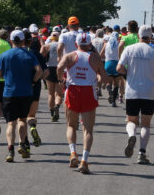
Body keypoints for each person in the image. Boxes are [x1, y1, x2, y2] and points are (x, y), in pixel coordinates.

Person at [57, 33, 108, 174]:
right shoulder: (96, 58)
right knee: (88, 130)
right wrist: (98, 78)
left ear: (76, 44)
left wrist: (62, 79)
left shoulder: (70, 56)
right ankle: (84, 161)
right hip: (88, 92)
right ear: (90, 44)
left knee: (71, 125)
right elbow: (104, 78)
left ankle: (73, 153)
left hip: (72, 91)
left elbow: (59, 68)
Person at [116, 25, 154, 164]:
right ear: (151, 36)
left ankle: (131, 135)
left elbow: (119, 68)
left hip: (132, 91)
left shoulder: (129, 49)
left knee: (131, 120)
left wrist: (129, 74)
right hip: (149, 91)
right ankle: (141, 153)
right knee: (146, 124)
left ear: (138, 35)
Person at [0, 30, 43, 162]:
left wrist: (7, 76)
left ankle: (10, 150)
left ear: (10, 40)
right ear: (23, 41)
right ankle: (22, 143)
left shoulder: (4, 55)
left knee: (11, 123)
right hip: (26, 92)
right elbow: (39, 71)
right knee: (22, 119)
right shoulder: (29, 55)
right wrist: (33, 81)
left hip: (9, 92)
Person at [23, 31, 49, 149]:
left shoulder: (18, 53)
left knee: (21, 118)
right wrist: (39, 79)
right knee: (31, 114)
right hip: (35, 86)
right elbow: (46, 72)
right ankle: (32, 126)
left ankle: (25, 143)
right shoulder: (37, 55)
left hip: (20, 87)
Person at [41, 32, 63, 121]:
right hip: (59, 68)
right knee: (58, 93)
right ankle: (57, 106)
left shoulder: (46, 46)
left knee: (50, 93)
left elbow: (40, 57)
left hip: (49, 68)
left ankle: (51, 114)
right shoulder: (62, 45)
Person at [118, 20, 139, 103]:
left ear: (128, 28)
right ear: (137, 28)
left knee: (124, 81)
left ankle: (122, 96)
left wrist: (120, 58)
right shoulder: (138, 37)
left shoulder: (125, 37)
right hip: (137, 62)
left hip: (127, 62)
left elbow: (120, 46)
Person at [100, 32, 120, 107]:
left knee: (109, 82)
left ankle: (109, 91)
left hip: (108, 64)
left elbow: (101, 54)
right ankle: (114, 102)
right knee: (116, 84)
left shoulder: (106, 44)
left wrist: (107, 57)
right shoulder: (119, 44)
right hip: (116, 64)